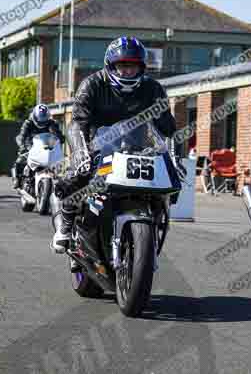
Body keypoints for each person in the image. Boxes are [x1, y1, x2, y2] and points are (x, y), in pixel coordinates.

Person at [51, 37, 177, 258]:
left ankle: (152, 226)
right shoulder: (92, 84)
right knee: (78, 175)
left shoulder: (153, 88)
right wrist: (81, 152)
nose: (128, 71)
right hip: (95, 144)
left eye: (133, 66)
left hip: (137, 147)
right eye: (123, 65)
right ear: (111, 66)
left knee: (171, 184)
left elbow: (167, 128)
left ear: (142, 67)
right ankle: (66, 223)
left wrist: (174, 158)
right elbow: (78, 122)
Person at [13, 104, 66, 190]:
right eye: (40, 119)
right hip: (30, 147)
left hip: (46, 148)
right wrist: (23, 146)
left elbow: (60, 137)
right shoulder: (28, 123)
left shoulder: (51, 123)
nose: (41, 122)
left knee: (59, 166)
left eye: (44, 119)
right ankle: (17, 179)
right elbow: (21, 137)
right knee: (20, 161)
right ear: (34, 116)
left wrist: (58, 136)